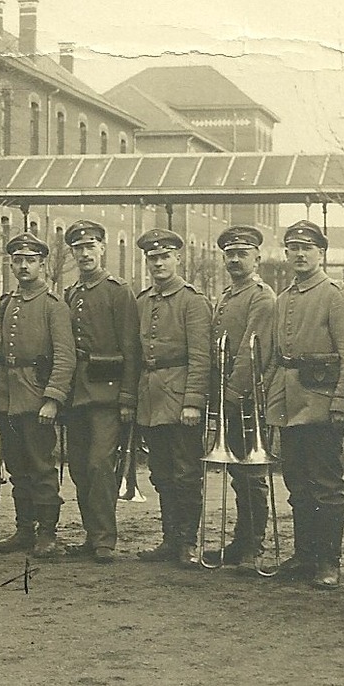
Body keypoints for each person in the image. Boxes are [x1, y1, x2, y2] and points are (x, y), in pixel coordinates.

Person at [265, 220, 344, 590]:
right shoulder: (283, 297)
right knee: (297, 483)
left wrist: (343, 401)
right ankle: (304, 554)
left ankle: (328, 561)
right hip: (289, 403)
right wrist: (270, 400)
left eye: (307, 248)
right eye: (293, 248)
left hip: (322, 402)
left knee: (326, 484)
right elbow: (277, 356)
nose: (300, 255)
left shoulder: (336, 294)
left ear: (321, 253)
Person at [0, 232, 76, 558]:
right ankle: (24, 530)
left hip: (36, 397)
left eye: (30, 260)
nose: (23, 266)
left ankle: (48, 533)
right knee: (16, 467)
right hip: (6, 397)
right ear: (11, 264)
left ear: (42, 263)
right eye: (18, 260)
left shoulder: (54, 306)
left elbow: (66, 357)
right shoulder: (6, 303)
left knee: (41, 466)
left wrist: (52, 398)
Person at [130, 228, 212, 568]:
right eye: (153, 258)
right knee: (161, 473)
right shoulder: (142, 301)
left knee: (186, 472)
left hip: (180, 397)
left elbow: (201, 356)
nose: (158, 263)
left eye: (165, 257)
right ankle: (169, 539)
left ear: (178, 259)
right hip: (150, 397)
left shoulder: (192, 301)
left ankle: (188, 543)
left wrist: (193, 400)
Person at [60, 219, 140, 564]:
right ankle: (92, 536)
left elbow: (131, 348)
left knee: (99, 465)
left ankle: (105, 538)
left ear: (102, 249)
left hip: (107, 395)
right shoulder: (71, 293)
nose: (84, 254)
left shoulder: (117, 291)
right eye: (78, 249)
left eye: (90, 247)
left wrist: (127, 397)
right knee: (78, 466)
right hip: (76, 393)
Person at [203, 225, 277, 569]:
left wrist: (232, 394)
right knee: (238, 472)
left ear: (257, 258)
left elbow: (252, 351)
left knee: (251, 472)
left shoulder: (260, 296)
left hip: (247, 397)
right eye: (229, 254)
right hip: (227, 393)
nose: (234, 259)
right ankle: (241, 540)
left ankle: (254, 546)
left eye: (241, 254)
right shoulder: (230, 295)